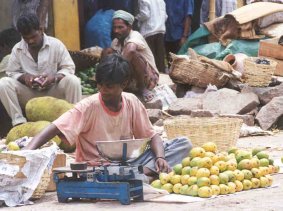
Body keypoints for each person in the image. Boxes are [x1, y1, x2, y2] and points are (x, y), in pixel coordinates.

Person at [24, 54, 192, 183]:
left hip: (129, 162)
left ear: (124, 84)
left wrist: (160, 158)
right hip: (97, 168)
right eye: (100, 84)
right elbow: (53, 128)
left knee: (183, 144)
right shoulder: (88, 106)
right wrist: (26, 153)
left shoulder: (132, 102)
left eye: (109, 86)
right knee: (109, 173)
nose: (103, 90)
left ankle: (139, 173)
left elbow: (152, 135)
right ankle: (141, 174)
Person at [0, 13, 81, 126]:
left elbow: (69, 67)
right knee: (3, 83)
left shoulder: (56, 45)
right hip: (30, 94)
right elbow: (11, 72)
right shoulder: (17, 49)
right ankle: (19, 122)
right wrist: (24, 77)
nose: (30, 41)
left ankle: (74, 121)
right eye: (26, 38)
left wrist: (54, 77)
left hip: (53, 91)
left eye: (33, 37)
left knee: (73, 81)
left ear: (41, 29)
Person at [102, 10, 159, 103]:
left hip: (147, 78)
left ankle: (142, 89)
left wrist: (115, 73)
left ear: (129, 27)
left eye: (120, 27)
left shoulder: (135, 35)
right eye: (115, 27)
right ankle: (108, 84)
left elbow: (131, 49)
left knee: (133, 54)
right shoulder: (115, 42)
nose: (116, 31)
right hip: (128, 78)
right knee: (107, 51)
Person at [135, 0, 167, 73]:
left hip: (148, 31)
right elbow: (165, 16)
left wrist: (136, 17)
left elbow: (145, 14)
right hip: (160, 30)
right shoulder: (161, 1)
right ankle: (163, 77)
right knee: (160, 58)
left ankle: (152, 79)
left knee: (149, 58)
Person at [164, 0, 194, 66]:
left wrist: (184, 36)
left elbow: (188, 17)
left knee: (180, 64)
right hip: (167, 35)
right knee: (170, 63)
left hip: (180, 36)